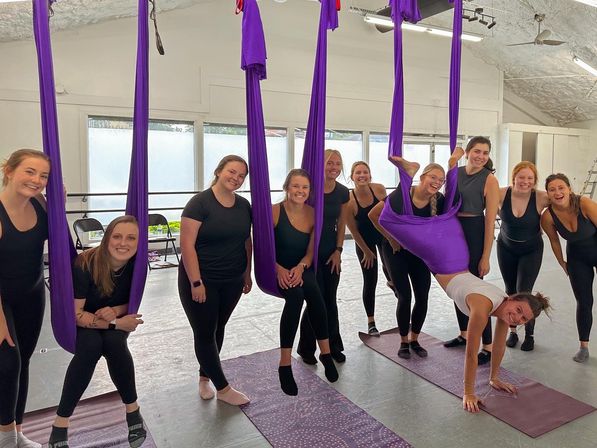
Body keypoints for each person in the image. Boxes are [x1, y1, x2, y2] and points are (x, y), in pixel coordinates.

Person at [384, 152, 551, 413]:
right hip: (443, 261)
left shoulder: (503, 305)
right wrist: (469, 393)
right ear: (514, 298)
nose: (515, 318)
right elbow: (472, 354)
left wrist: (495, 378)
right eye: (519, 311)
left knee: (444, 218)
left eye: (521, 320)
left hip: (458, 256)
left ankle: (442, 170)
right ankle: (408, 175)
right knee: (388, 220)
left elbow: (496, 348)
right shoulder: (483, 308)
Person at [48, 216, 147, 448]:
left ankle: (133, 412)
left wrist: (116, 311)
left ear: (139, 242)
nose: (123, 243)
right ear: (106, 238)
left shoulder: (138, 265)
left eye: (131, 238)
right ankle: (60, 423)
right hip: (83, 321)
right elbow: (77, 315)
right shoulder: (85, 264)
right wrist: (116, 323)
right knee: (90, 347)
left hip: (112, 320)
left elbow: (131, 300)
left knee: (115, 344)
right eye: (117, 236)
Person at [178, 155, 252, 405]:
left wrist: (247, 272)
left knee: (218, 328)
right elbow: (186, 245)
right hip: (203, 280)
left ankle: (204, 377)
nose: (236, 178)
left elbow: (246, 241)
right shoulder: (199, 203)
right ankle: (223, 388)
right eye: (232, 172)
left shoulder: (244, 206)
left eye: (241, 175)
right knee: (204, 332)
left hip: (232, 279)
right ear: (219, 171)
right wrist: (196, 282)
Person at [369, 162, 446, 358]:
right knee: (405, 297)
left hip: (419, 253)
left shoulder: (439, 199)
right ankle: (403, 341)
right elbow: (374, 214)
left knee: (422, 296)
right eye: (433, 177)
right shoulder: (403, 194)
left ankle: (415, 339)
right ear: (422, 177)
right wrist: (391, 239)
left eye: (441, 180)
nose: (436, 182)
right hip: (396, 251)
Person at [0, 149, 50, 448]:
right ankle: (5, 438)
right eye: (30, 172)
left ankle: (17, 431)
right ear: (9, 170)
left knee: (24, 362)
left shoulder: (41, 204)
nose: (37, 180)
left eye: (43, 176)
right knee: (7, 364)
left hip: (32, 292)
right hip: (2, 298)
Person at [274, 169, 339, 395]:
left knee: (316, 297)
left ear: (309, 191)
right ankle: (284, 364)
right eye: (295, 186)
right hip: (277, 268)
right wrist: (278, 268)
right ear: (286, 187)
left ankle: (326, 354)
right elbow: (264, 248)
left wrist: (301, 267)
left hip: (301, 267)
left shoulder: (313, 213)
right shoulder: (274, 212)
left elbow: (311, 252)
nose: (300, 191)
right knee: (295, 299)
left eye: (305, 187)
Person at [444, 136, 499, 366]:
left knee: (476, 291)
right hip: (455, 230)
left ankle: (487, 346)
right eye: (477, 151)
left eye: (485, 153)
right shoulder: (454, 173)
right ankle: (464, 334)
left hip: (476, 230)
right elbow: (448, 200)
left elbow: (489, 222)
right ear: (467, 152)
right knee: (458, 286)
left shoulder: (490, 179)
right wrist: (452, 161)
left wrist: (485, 256)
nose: (481, 156)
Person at [298, 149, 349, 364]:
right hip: (309, 249)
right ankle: (306, 347)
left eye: (337, 164)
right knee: (315, 299)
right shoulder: (311, 189)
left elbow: (342, 224)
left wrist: (338, 251)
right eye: (330, 163)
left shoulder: (343, 192)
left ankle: (333, 346)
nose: (334, 168)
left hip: (331, 251)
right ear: (321, 165)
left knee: (330, 299)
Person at [541, 173, 597, 363]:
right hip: (577, 258)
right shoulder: (548, 216)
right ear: (547, 193)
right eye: (552, 189)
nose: (557, 192)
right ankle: (584, 347)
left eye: (561, 188)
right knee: (584, 301)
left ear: (569, 189)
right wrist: (562, 263)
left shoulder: (584, 204)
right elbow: (555, 241)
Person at [498, 162, 549, 352]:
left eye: (530, 178)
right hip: (506, 247)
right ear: (514, 177)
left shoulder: (542, 197)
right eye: (521, 177)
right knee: (510, 291)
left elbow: (565, 202)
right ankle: (513, 331)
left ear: (535, 181)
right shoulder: (502, 193)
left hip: (531, 250)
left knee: (524, 291)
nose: (525, 182)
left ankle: (529, 334)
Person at [345, 161, 388, 336]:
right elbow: (353, 230)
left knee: (393, 274)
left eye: (365, 172)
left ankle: (394, 288)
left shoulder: (379, 189)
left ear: (370, 175)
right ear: (352, 177)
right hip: (364, 241)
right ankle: (371, 321)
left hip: (383, 236)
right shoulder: (349, 200)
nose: (362, 175)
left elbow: (388, 215)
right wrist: (367, 252)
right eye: (358, 173)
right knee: (370, 280)